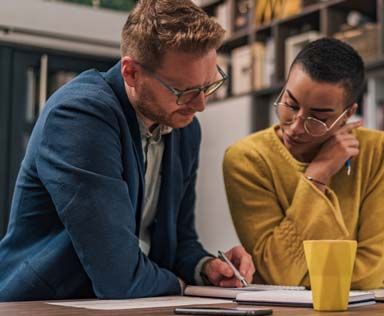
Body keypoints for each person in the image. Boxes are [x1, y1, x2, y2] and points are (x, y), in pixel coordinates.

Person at [0, 0, 254, 301]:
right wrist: (183, 285)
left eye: (209, 86)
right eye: (184, 92)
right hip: (44, 304)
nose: (200, 105)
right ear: (131, 73)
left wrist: (205, 267)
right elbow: (117, 276)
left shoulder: (184, 127)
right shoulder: (80, 115)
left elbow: (179, 241)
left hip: (134, 302)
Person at [223, 38, 384, 290]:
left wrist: (302, 280)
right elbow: (278, 275)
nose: (296, 126)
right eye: (290, 104)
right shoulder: (246, 158)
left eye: (318, 117)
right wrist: (317, 176)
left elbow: (370, 274)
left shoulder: (381, 151)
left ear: (348, 113)